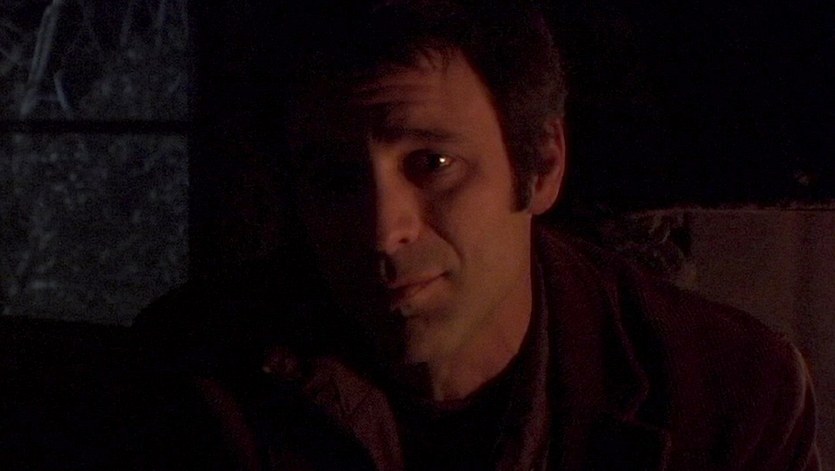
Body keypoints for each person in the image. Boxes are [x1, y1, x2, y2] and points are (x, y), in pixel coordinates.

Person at [135, 1, 820, 469]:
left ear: (541, 166)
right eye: (335, 178)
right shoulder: (194, 369)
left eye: (433, 164)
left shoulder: (726, 392)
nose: (383, 231)